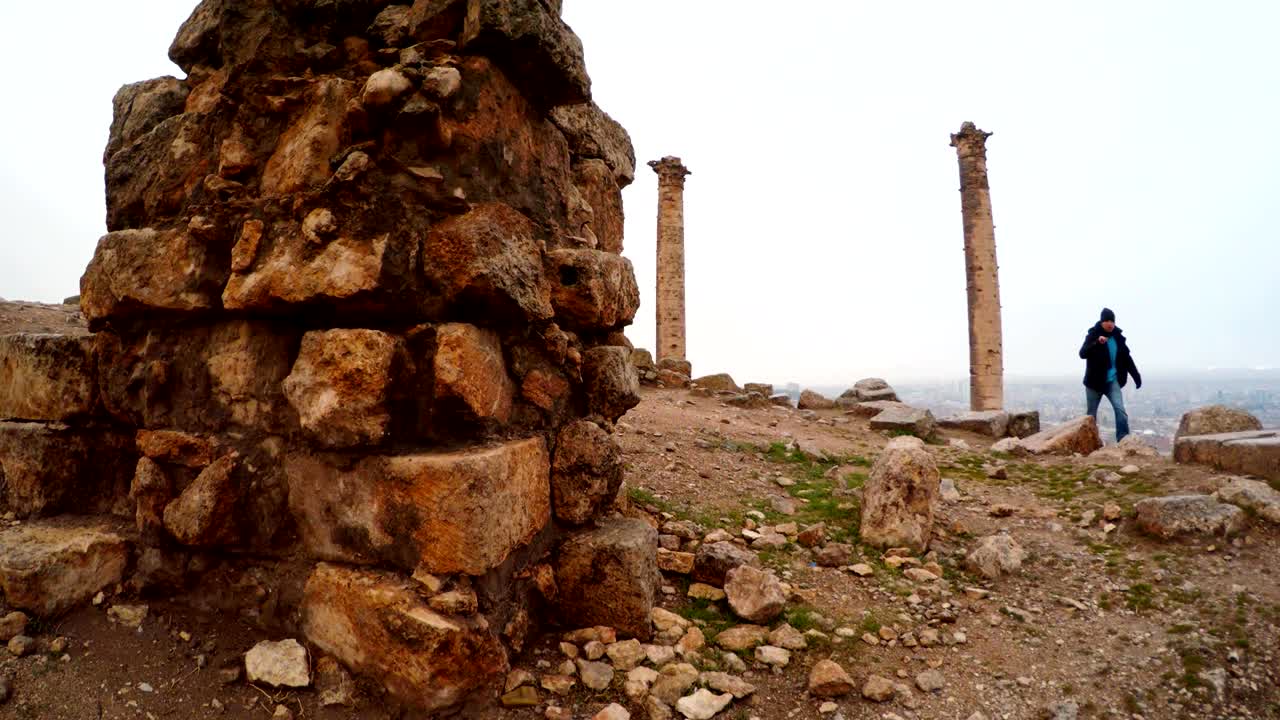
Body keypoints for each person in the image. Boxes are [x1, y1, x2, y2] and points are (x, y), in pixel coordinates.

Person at [1079, 308, 1142, 442]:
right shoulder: (1093, 334)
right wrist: (1096, 342)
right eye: (1107, 320)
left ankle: (1123, 441)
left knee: (1120, 410)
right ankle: (1090, 442)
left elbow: (1127, 358)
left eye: (1112, 321)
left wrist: (1136, 376)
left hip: (1112, 381)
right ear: (1102, 322)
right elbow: (1082, 353)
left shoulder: (1118, 338)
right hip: (1094, 383)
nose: (1110, 323)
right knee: (1090, 416)